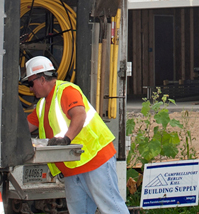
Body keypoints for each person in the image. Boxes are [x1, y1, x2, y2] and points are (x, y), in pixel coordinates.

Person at [23, 56, 130, 214]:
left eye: (30, 83)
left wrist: (66, 139)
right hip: (73, 166)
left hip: (94, 159)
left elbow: (79, 115)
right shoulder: (42, 105)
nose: (30, 89)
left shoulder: (66, 91)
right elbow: (25, 127)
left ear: (42, 79)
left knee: (112, 208)